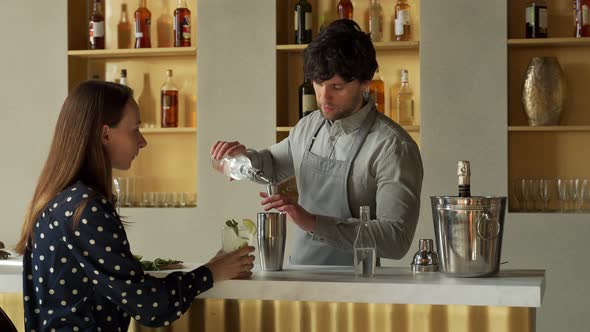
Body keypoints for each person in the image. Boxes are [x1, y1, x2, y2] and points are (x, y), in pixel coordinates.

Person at [15, 81, 255, 331]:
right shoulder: (86, 208)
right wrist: (211, 273)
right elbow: (150, 306)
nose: (143, 142)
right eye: (136, 129)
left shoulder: (58, 199)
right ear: (105, 134)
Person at [210, 19, 423, 266]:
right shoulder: (309, 126)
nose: (324, 97)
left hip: (360, 286)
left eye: (337, 86)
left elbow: (396, 240)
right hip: (300, 275)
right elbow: (271, 166)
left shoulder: (392, 147)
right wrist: (239, 160)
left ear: (366, 82)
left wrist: (312, 222)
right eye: (318, 83)